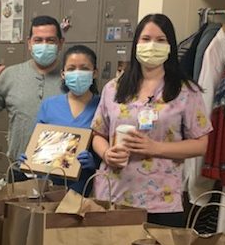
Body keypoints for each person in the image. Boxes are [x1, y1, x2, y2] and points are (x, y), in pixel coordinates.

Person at [91, 14, 212, 227]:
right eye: (146, 39)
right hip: (113, 196)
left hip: (160, 201)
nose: (152, 45)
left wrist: (155, 148)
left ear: (170, 46)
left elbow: (201, 144)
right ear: (136, 44)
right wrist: (106, 153)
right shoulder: (113, 88)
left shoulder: (186, 91)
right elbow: (98, 133)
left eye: (160, 40)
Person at [0, 16, 65, 175]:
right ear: (29, 43)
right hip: (19, 170)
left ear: (60, 43)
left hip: (61, 171)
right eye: (38, 40)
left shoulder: (71, 77)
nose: (44, 45)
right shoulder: (11, 75)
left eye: (50, 40)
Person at [21, 45, 100, 194]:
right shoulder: (49, 105)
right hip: (49, 186)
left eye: (84, 68)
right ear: (63, 74)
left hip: (86, 186)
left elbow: (110, 149)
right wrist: (29, 157)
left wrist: (95, 162)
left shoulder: (103, 106)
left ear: (94, 73)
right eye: (71, 69)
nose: (77, 73)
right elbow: (37, 142)